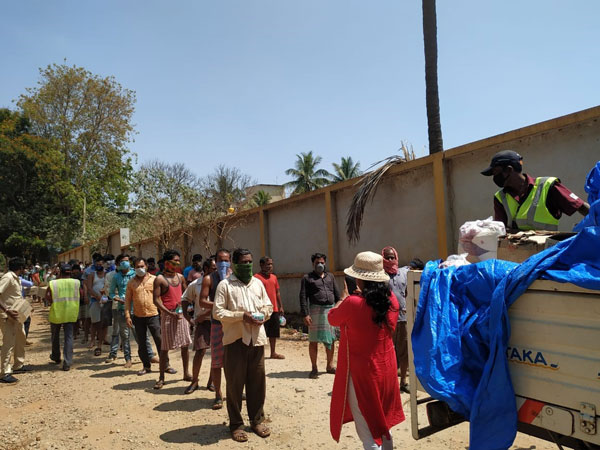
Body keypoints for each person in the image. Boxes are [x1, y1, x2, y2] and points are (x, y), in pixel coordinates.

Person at [328, 251, 405, 450]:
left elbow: (332, 319)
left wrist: (342, 298)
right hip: (386, 369)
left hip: (364, 373)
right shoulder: (391, 301)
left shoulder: (353, 303)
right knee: (383, 423)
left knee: (368, 433)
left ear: (359, 279)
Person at [214, 248, 273, 443]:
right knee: (234, 385)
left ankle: (256, 421)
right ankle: (236, 424)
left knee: (257, 384)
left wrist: (262, 315)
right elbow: (218, 313)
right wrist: (242, 316)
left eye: (250, 261)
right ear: (235, 264)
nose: (248, 265)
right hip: (235, 341)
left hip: (256, 340)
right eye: (244, 262)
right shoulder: (225, 285)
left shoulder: (257, 283)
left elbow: (268, 306)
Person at [481, 150, 590, 231]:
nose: (494, 177)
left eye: (495, 172)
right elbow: (500, 230)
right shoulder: (500, 197)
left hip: (546, 252)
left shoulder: (547, 186)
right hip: (516, 253)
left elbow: (581, 207)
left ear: (509, 170)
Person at [152, 249, 192, 389]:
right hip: (168, 317)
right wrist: (168, 312)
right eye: (174, 260)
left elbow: (186, 294)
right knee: (164, 348)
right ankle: (161, 377)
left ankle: (186, 373)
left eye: (178, 260)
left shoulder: (180, 277)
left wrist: (189, 308)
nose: (176, 263)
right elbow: (156, 300)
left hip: (181, 316)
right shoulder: (160, 279)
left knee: (185, 345)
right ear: (166, 262)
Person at [199, 248, 231, 409]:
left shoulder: (234, 277)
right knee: (217, 361)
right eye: (220, 260)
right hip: (218, 324)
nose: (223, 263)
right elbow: (202, 301)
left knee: (235, 361)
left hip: (234, 324)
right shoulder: (209, 279)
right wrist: (220, 306)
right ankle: (218, 394)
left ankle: (235, 391)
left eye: (226, 260)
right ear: (215, 262)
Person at [299, 252, 340, 379]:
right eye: (317, 263)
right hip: (315, 311)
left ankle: (329, 366)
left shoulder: (330, 277)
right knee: (313, 340)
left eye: (322, 262)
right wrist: (305, 314)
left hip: (330, 311)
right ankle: (314, 368)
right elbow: (303, 297)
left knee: (331, 340)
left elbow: (338, 295)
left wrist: (338, 309)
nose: (320, 265)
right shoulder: (307, 278)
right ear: (313, 264)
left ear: (325, 263)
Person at [181, 257, 216, 394]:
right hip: (202, 322)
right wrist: (187, 316)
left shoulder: (221, 284)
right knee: (200, 351)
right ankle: (194, 381)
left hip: (218, 321)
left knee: (216, 353)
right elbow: (185, 298)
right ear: (206, 269)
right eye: (213, 268)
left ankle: (212, 381)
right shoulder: (195, 284)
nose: (217, 270)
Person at [125, 258, 162, 376]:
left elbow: (160, 297)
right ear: (134, 268)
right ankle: (146, 366)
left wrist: (163, 313)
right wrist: (127, 316)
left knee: (159, 339)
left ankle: (165, 365)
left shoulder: (155, 279)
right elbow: (127, 300)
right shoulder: (131, 282)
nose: (140, 269)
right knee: (142, 343)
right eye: (137, 267)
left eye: (142, 266)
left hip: (153, 314)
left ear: (146, 266)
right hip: (138, 316)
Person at [382, 246, 410, 393]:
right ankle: (390, 383)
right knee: (388, 352)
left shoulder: (403, 274)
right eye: (387, 257)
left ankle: (404, 381)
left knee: (404, 351)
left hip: (403, 318)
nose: (390, 260)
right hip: (387, 320)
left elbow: (405, 293)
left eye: (393, 257)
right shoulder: (380, 276)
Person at [0, 257, 30, 383]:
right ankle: (4, 372)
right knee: (9, 343)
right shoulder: (8, 278)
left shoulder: (15, 278)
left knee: (21, 337)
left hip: (17, 315)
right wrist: (6, 310)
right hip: (8, 316)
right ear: (21, 268)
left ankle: (18, 364)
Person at [46, 264, 80, 371]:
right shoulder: (76, 282)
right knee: (68, 337)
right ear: (70, 272)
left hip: (56, 312)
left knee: (55, 336)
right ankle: (67, 362)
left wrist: (52, 302)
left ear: (60, 272)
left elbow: (47, 296)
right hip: (71, 312)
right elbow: (82, 294)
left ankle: (56, 356)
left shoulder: (53, 283)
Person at [106, 254, 135, 367]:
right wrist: (116, 298)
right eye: (123, 261)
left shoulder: (135, 274)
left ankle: (148, 355)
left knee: (139, 334)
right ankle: (127, 358)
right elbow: (111, 292)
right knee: (123, 334)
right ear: (118, 264)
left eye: (127, 261)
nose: (126, 263)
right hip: (120, 308)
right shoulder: (115, 276)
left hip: (136, 308)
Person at [254, 256, 285, 359]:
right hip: (262, 310)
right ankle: (259, 354)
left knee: (273, 332)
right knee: (261, 332)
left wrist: (281, 306)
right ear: (261, 265)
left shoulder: (274, 277)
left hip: (274, 309)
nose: (270, 266)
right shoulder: (256, 277)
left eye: (271, 264)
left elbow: (277, 292)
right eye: (268, 264)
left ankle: (273, 352)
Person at [85, 256, 106, 356]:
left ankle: (101, 342)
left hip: (105, 301)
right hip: (94, 300)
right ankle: (92, 339)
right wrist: (97, 296)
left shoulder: (107, 275)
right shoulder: (91, 275)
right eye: (97, 264)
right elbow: (89, 288)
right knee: (94, 322)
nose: (99, 266)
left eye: (101, 264)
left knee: (104, 323)